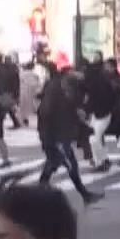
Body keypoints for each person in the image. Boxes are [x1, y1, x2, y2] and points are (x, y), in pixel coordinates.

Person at [34, 71, 100, 205]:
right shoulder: (57, 97)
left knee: (53, 163)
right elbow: (47, 115)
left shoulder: (61, 96)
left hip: (56, 136)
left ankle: (39, 192)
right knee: (70, 165)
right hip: (56, 137)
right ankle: (84, 194)